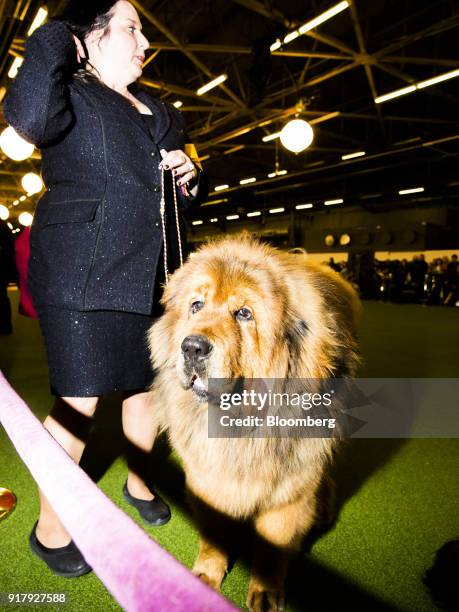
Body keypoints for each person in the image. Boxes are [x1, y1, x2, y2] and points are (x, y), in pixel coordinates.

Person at [3, 0, 207, 577]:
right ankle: (51, 529)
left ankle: (140, 485)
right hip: (82, 271)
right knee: (80, 402)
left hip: (156, 275)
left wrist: (193, 178)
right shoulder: (66, 92)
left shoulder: (164, 111)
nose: (145, 41)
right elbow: (30, 121)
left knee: (146, 393)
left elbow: (177, 197)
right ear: (88, 37)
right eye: (131, 27)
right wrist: (52, 40)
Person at [0, 219, 17, 334]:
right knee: (2, 297)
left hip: (2, 267)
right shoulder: (2, 225)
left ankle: (5, 325)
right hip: (3, 268)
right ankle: (5, 325)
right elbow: (10, 247)